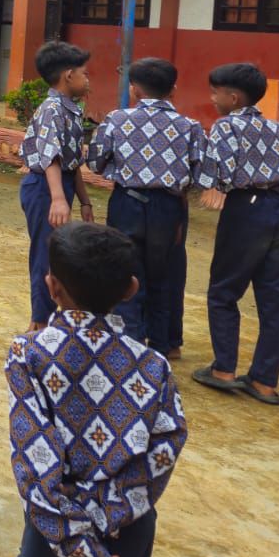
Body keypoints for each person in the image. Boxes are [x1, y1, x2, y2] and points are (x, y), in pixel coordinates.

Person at [0, 222, 187, 557]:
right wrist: (111, 512)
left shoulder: (29, 354)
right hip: (127, 530)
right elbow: (167, 443)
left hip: (54, 530)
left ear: (52, 287)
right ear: (131, 289)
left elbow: (34, 456)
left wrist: (72, 535)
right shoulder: (154, 365)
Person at [191, 62, 279, 405]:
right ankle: (265, 382)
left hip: (244, 209)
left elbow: (218, 168)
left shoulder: (226, 126)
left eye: (215, 92)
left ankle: (224, 370)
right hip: (278, 210)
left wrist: (212, 186)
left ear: (233, 97)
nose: (212, 98)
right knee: (274, 300)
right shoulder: (276, 127)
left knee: (223, 291)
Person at [85, 58, 202, 356]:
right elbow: (201, 173)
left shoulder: (116, 119)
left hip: (127, 203)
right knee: (164, 273)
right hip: (169, 208)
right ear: (173, 90)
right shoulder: (190, 127)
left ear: (134, 90)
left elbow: (96, 163)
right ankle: (163, 346)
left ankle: (130, 343)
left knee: (126, 270)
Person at [20, 41, 95, 330]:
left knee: (58, 253)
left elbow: (71, 162)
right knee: (45, 253)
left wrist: (85, 201)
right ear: (68, 75)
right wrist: (58, 199)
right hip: (44, 187)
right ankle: (39, 322)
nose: (87, 80)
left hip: (59, 185)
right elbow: (51, 157)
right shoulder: (52, 109)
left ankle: (51, 318)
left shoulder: (71, 109)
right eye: (84, 74)